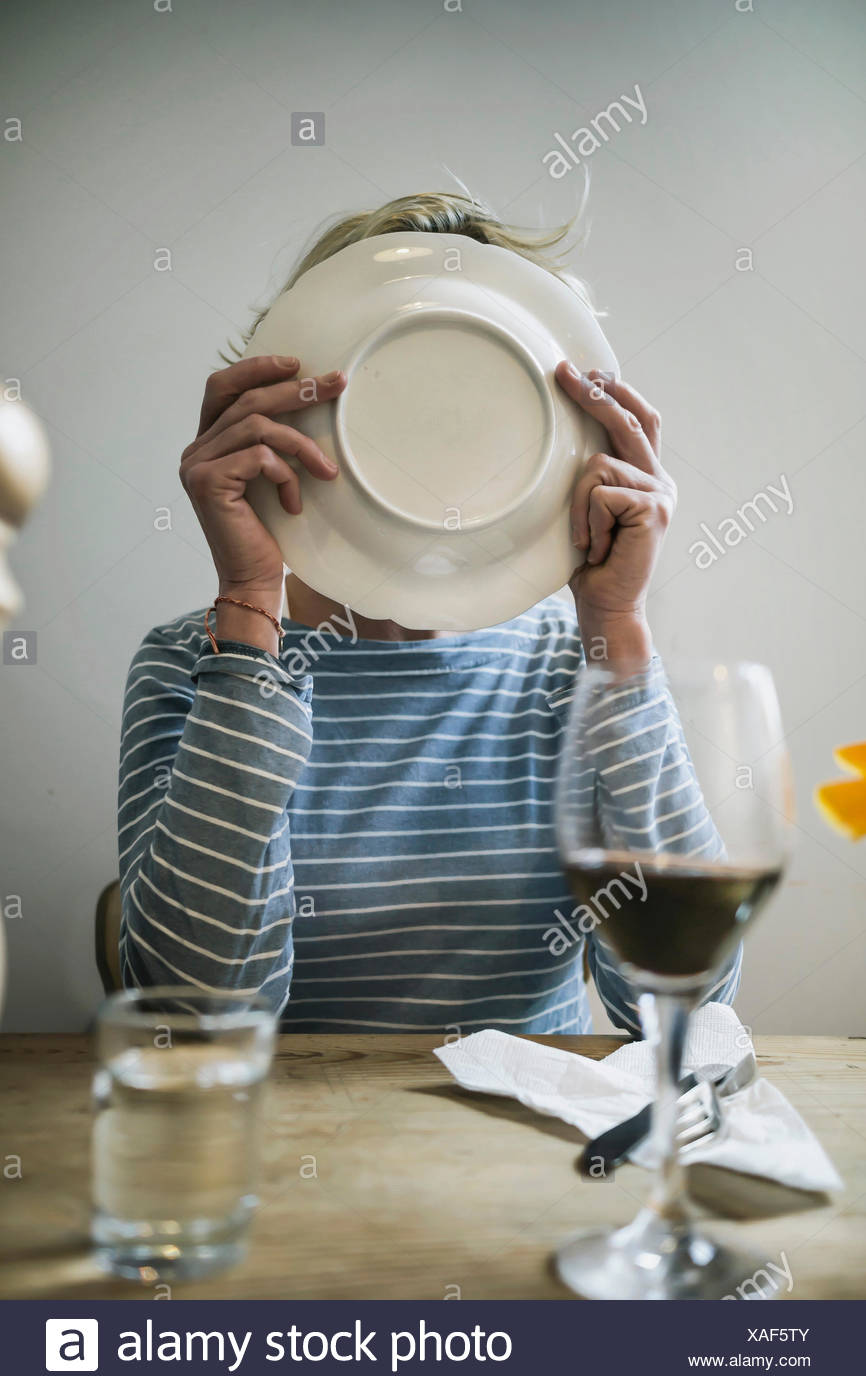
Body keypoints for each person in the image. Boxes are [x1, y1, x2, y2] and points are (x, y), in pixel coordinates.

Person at [117, 192, 739, 1036]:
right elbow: (194, 1020)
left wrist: (617, 629)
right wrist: (251, 605)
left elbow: (685, 1008)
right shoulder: (198, 662)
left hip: (525, 1158)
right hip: (278, 1153)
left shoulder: (574, 668)